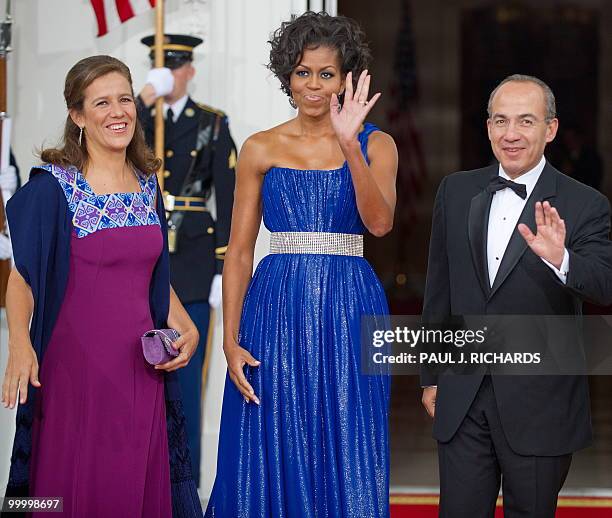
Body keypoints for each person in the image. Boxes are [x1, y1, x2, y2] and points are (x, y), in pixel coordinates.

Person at [205, 11, 398, 518]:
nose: (313, 85)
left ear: (346, 77)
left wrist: (350, 146)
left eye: (326, 73)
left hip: (350, 304)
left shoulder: (378, 144)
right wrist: (229, 335)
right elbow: (240, 250)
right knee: (271, 427)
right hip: (274, 307)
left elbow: (379, 224)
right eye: (302, 72)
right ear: (287, 77)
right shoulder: (260, 148)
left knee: (349, 427)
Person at [1, 55, 203, 518]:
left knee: (135, 487)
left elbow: (150, 274)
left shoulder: (147, 184)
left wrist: (184, 324)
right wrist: (18, 343)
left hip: (142, 373)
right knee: (69, 492)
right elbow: (21, 278)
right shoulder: (53, 188)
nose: (118, 112)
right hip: (76, 375)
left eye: (125, 99)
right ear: (78, 116)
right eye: (102, 102)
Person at [421, 74, 612, 517]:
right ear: (487, 127)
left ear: (551, 129)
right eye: (501, 120)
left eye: (526, 121)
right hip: (463, 395)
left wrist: (562, 259)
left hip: (540, 403)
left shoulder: (585, 204)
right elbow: (439, 291)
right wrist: (430, 376)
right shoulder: (456, 190)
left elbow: (603, 284)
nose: (511, 133)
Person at [138, 34, 237, 486]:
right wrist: (142, 101)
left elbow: (230, 201)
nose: (169, 73)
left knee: (186, 381)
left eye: (175, 66)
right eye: (161, 65)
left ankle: (185, 489)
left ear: (190, 71)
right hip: (143, 260)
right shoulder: (136, 120)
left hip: (195, 264)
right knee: (137, 378)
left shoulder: (213, 125)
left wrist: (221, 267)